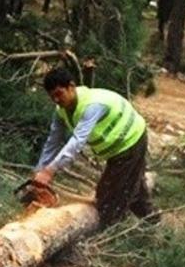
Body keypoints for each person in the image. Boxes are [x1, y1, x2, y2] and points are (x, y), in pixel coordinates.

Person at [33, 67, 157, 226]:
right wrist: (40, 169)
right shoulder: (61, 111)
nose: (56, 100)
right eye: (52, 97)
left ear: (71, 86)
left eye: (59, 94)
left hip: (130, 141)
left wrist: (50, 171)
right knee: (132, 188)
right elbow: (53, 141)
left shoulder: (92, 105)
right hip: (117, 148)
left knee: (108, 199)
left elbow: (77, 141)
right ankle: (153, 224)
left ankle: (111, 232)